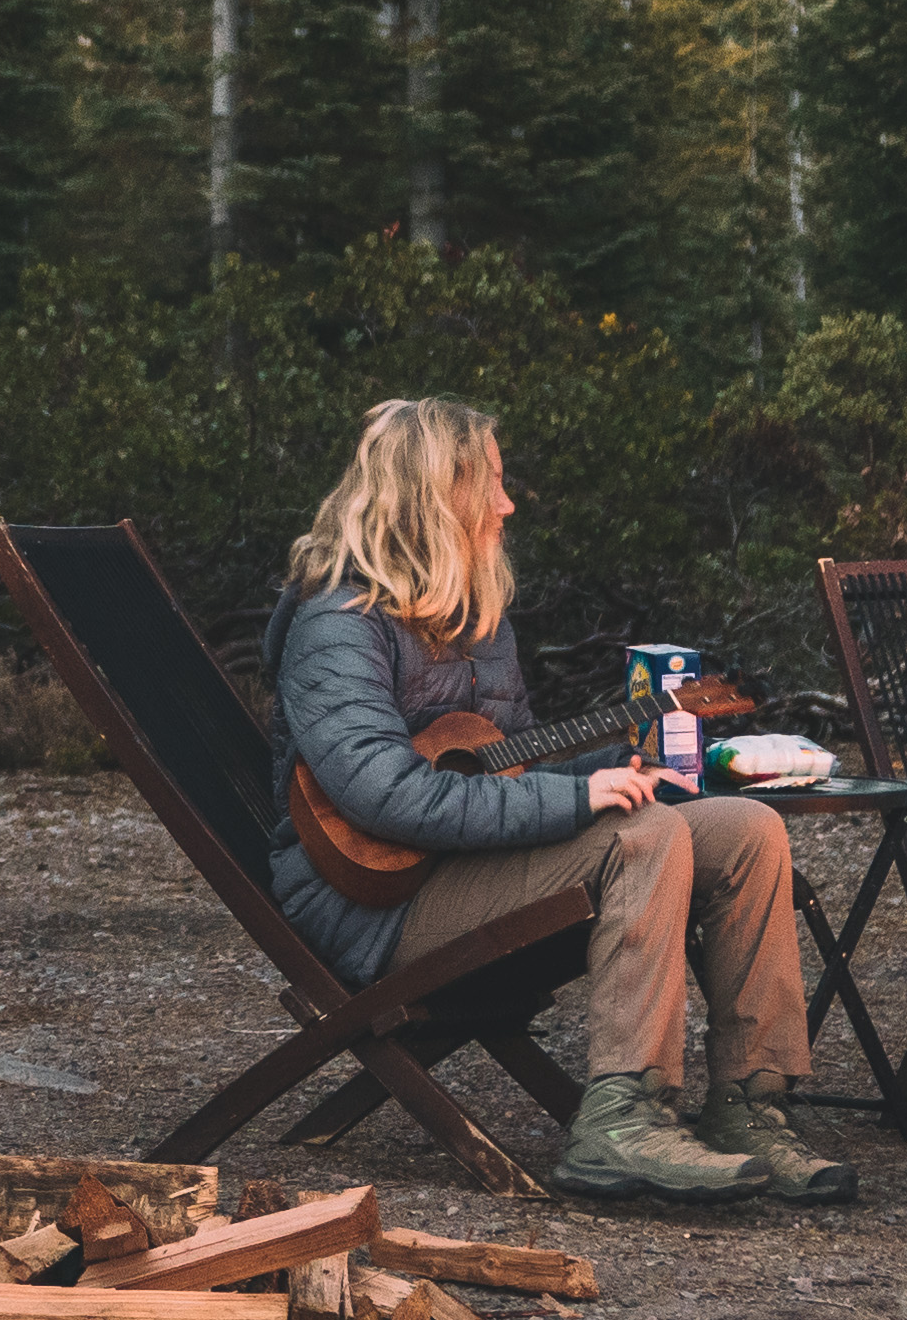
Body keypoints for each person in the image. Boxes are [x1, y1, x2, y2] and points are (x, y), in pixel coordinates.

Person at [260, 395, 843, 1207]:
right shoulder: (338, 621)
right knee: (635, 837)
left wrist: (626, 763)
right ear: (436, 496)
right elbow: (383, 795)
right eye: (490, 484)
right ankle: (622, 1120)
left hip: (470, 864)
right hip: (376, 902)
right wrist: (586, 803)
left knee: (745, 830)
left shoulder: (473, 613)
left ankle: (751, 1103)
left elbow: (509, 766)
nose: (507, 502)